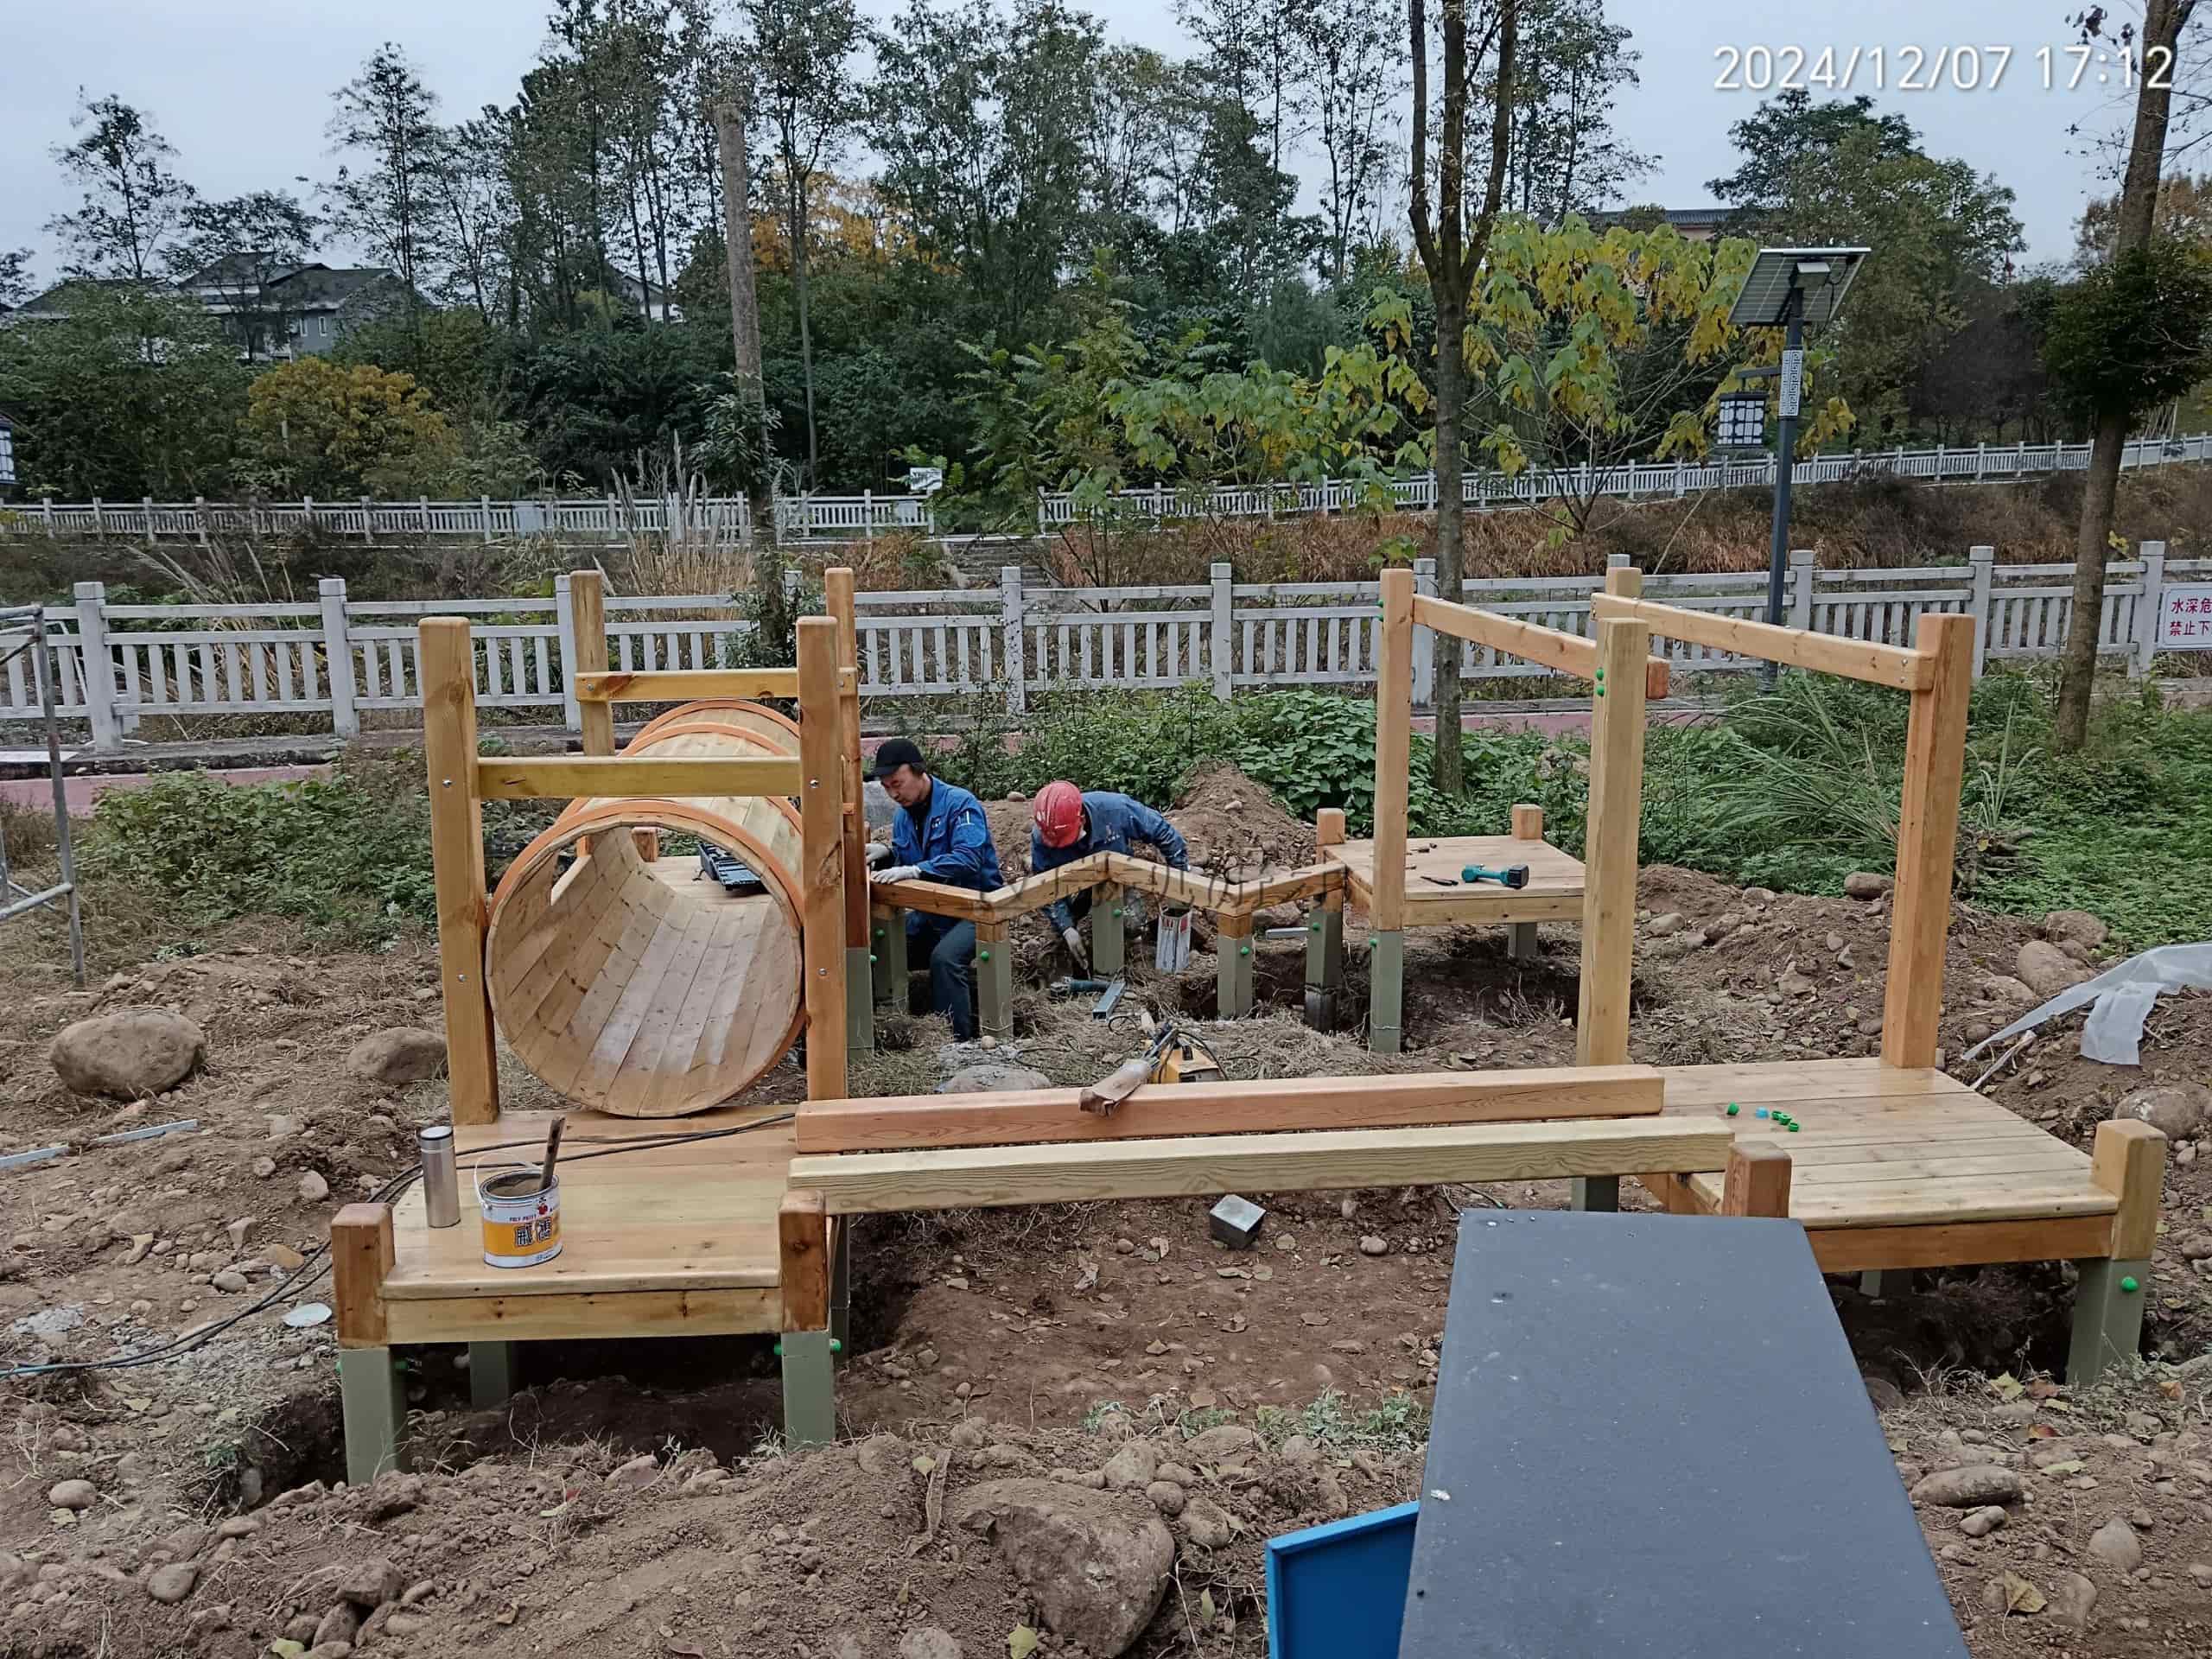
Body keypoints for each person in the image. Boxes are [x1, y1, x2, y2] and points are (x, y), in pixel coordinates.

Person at [868, 737, 1004, 1040]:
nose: (893, 794)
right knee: (885, 948)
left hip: (977, 909)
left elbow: (968, 858)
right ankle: (887, 1028)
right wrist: (888, 854)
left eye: (897, 784)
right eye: (887, 787)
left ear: (919, 771)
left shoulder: (960, 804)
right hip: (933, 909)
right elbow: (907, 858)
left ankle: (956, 1041)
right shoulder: (902, 817)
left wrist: (916, 870)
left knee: (945, 960)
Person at [1029, 780, 1189, 973]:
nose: (1060, 845)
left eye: (1065, 840)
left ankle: (1128, 955)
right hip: (1073, 885)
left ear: (1081, 819)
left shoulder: (1116, 810)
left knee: (1131, 924)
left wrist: (1180, 886)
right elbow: (1046, 886)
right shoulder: (1042, 836)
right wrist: (1067, 928)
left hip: (1117, 880)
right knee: (1058, 946)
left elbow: (1166, 834)